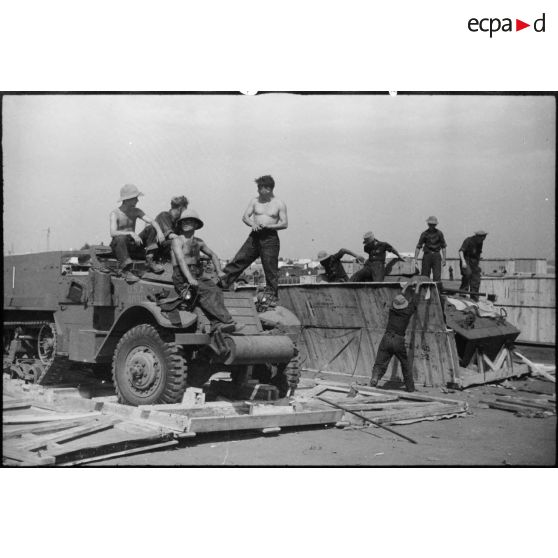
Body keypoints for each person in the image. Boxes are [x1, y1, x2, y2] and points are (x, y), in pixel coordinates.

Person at [219, 175, 287, 300]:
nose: (257, 190)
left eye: (260, 188)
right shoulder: (254, 201)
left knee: (270, 268)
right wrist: (253, 224)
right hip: (254, 236)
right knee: (239, 260)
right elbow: (245, 217)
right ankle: (221, 283)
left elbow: (284, 223)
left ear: (268, 188)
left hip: (270, 238)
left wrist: (269, 226)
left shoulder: (279, 203)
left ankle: (271, 296)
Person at [171, 208, 236, 333]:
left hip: (197, 274)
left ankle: (216, 324)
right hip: (182, 275)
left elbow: (213, 255)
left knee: (215, 290)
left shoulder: (199, 242)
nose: (186, 223)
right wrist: (189, 278)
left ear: (196, 225)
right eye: (184, 221)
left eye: (189, 221)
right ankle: (227, 321)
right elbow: (181, 260)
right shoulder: (177, 241)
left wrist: (219, 271)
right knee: (203, 292)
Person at [369, 280, 419, 392]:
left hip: (386, 337)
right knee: (405, 364)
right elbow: (415, 302)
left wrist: (406, 286)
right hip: (398, 340)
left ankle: (375, 377)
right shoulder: (407, 312)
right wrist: (418, 287)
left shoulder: (392, 310)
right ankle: (410, 388)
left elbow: (399, 297)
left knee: (380, 361)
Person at [109, 184, 165, 282]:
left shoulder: (136, 211)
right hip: (119, 246)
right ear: (127, 199)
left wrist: (160, 232)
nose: (137, 200)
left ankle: (150, 260)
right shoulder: (115, 213)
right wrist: (130, 233)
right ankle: (126, 271)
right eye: (135, 198)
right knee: (120, 238)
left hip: (133, 244)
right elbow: (113, 233)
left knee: (151, 228)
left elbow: (152, 221)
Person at [139, 195, 189, 270]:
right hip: (141, 246)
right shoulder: (164, 215)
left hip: (160, 248)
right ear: (181, 208)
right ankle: (149, 259)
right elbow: (170, 235)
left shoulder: (178, 223)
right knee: (152, 228)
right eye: (186, 209)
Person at [414, 216, 447, 283]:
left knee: (437, 275)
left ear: (435, 225)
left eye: (433, 225)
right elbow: (418, 246)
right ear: (428, 224)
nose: (432, 226)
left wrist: (444, 258)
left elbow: (443, 247)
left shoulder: (439, 233)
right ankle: (425, 291)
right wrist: (416, 259)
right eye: (430, 224)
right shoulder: (424, 234)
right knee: (425, 275)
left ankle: (437, 291)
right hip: (427, 255)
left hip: (436, 255)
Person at [459, 230, 488, 301]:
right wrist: (463, 262)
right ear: (477, 236)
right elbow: (461, 251)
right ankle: (463, 294)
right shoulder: (468, 240)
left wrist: (478, 264)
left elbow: (478, 254)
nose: (482, 239)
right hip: (466, 259)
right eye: (481, 238)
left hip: (474, 262)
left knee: (476, 278)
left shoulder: (480, 243)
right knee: (468, 274)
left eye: (484, 238)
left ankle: (474, 297)